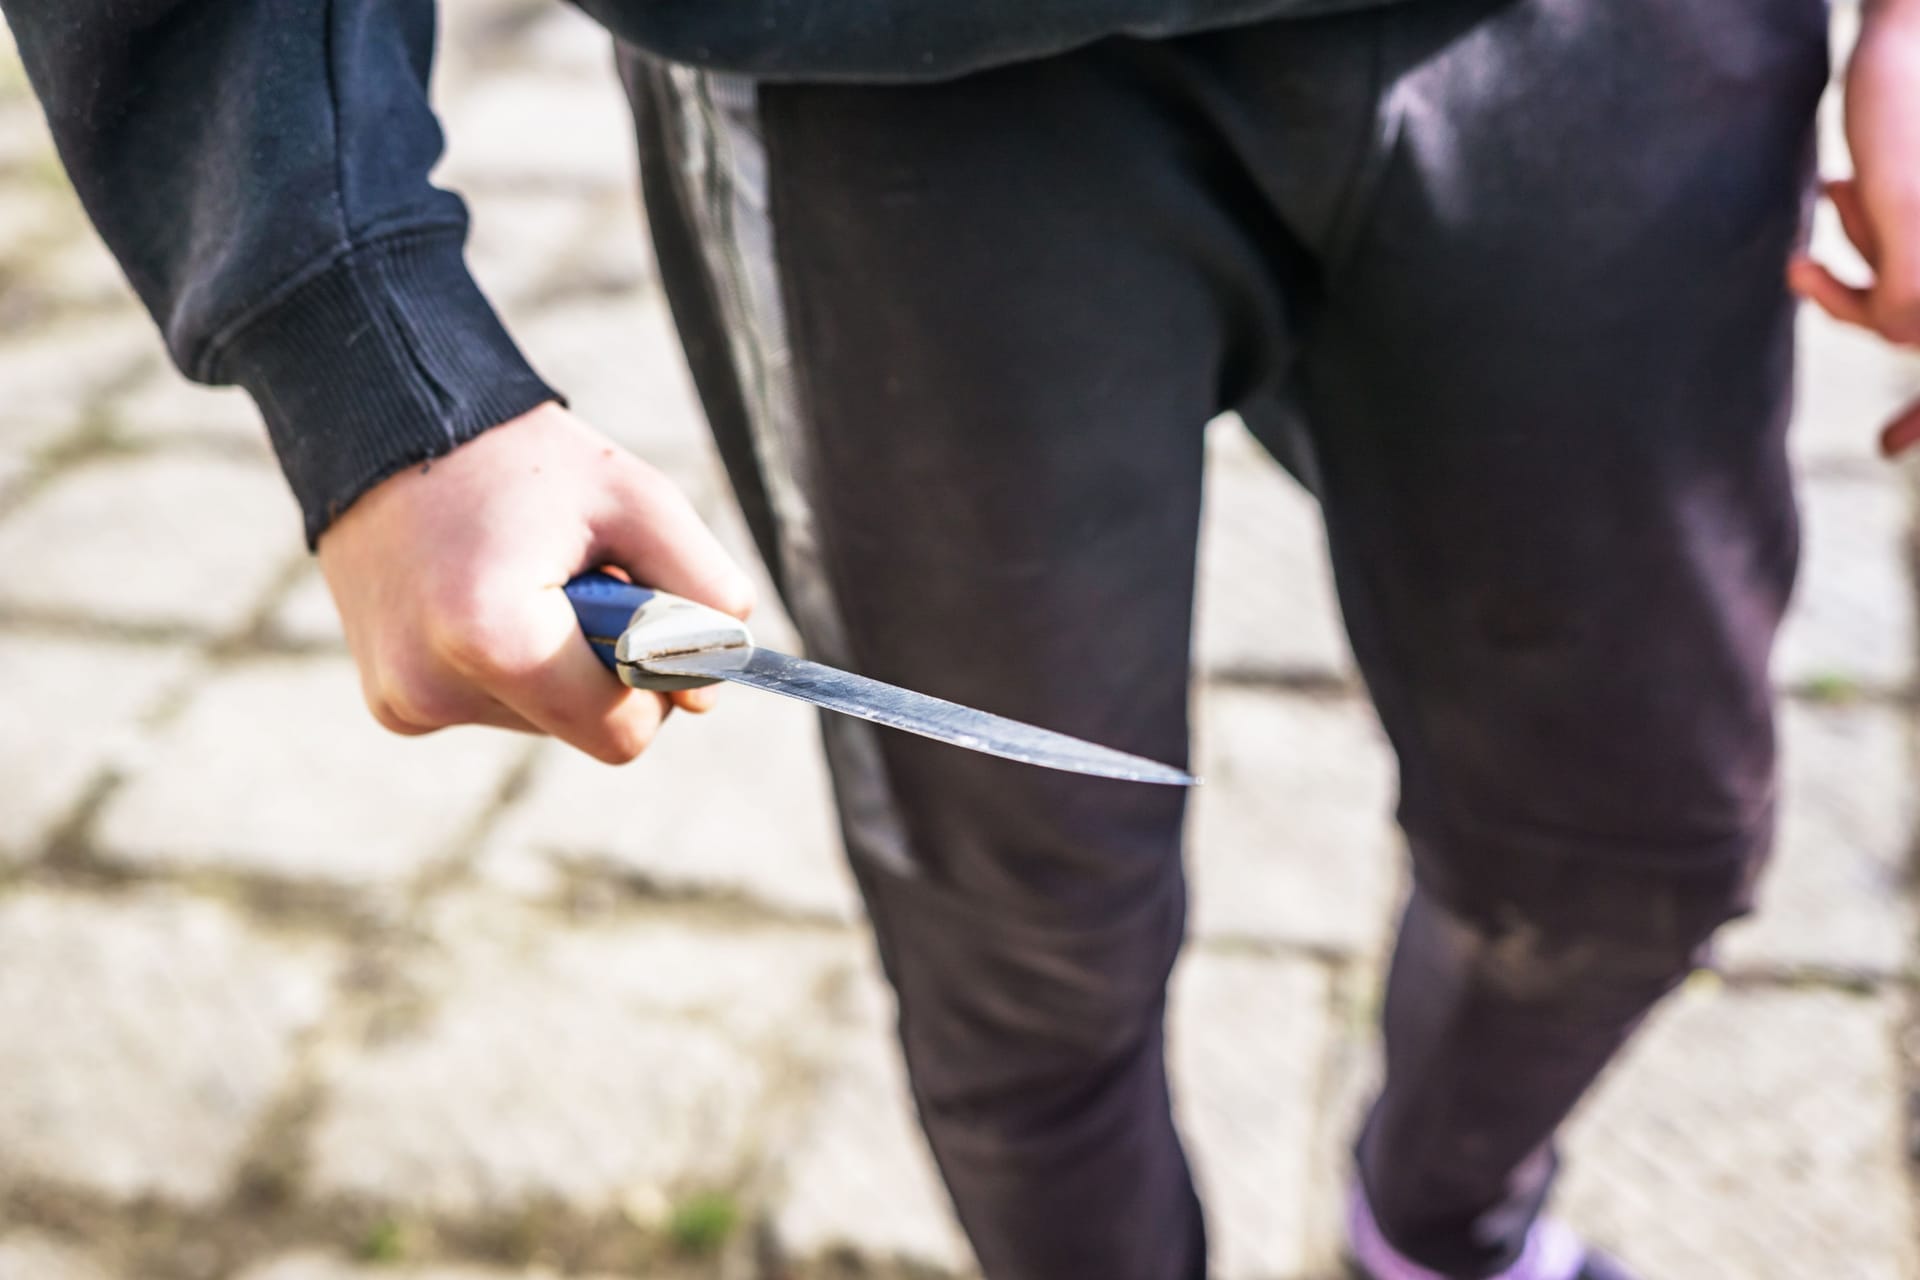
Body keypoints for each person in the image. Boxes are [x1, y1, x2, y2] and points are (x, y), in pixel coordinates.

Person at [7, 0, 1917, 1275]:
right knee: (1026, 932)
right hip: (881, 72)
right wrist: (352, 333)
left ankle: (1442, 1228)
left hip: (1619, 44)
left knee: (1638, 841)